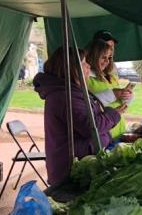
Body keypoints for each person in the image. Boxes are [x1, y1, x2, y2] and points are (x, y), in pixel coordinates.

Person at [33, 47, 124, 186]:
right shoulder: (65, 96)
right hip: (72, 171)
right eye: (84, 63)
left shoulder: (71, 91)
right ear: (72, 69)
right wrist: (113, 114)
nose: (88, 66)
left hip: (82, 164)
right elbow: (90, 127)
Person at [85, 39, 132, 140]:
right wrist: (114, 94)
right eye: (103, 57)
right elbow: (90, 104)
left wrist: (127, 96)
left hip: (119, 131)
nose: (107, 61)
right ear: (93, 57)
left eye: (109, 57)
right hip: (105, 136)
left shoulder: (110, 76)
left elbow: (121, 101)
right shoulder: (86, 78)